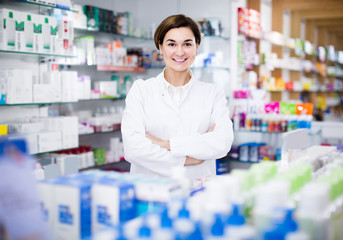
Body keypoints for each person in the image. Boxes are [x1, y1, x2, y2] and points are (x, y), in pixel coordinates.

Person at [121, 14, 233, 180]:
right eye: (171, 44)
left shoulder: (213, 93)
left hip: (198, 190)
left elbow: (222, 143)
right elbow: (133, 149)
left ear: (197, 46)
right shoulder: (141, 90)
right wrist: (186, 159)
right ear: (160, 47)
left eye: (187, 44)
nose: (179, 52)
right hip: (151, 191)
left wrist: (165, 144)